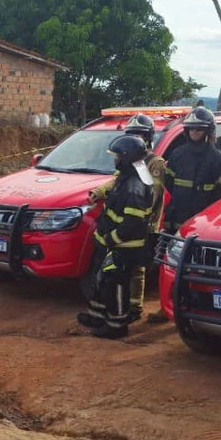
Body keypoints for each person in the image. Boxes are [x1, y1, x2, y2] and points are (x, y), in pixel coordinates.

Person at [89, 114, 166, 323]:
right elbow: (117, 180)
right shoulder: (129, 161)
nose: (136, 138)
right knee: (121, 267)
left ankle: (133, 307)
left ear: (148, 137)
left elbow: (152, 194)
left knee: (137, 268)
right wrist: (99, 191)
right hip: (130, 223)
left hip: (146, 223)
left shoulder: (151, 163)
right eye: (132, 135)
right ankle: (122, 306)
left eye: (140, 134)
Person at [78, 134, 154, 339]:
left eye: (118, 156)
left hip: (126, 245)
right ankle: (97, 316)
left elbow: (132, 222)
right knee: (102, 279)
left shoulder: (134, 187)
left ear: (128, 157)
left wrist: (110, 239)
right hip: (117, 243)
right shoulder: (128, 175)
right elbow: (114, 185)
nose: (115, 159)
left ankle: (117, 325)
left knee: (116, 283)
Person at [163, 106, 221, 234]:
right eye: (191, 128)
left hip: (203, 221)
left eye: (199, 129)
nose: (194, 132)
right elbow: (168, 181)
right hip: (175, 218)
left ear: (208, 130)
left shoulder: (220, 160)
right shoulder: (177, 154)